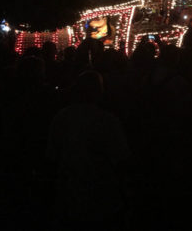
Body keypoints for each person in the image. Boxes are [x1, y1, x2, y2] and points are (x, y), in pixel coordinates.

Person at [47, 71, 130, 230]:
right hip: (103, 198)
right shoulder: (108, 121)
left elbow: (51, 157)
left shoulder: (61, 117)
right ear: (100, 91)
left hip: (68, 195)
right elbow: (122, 160)